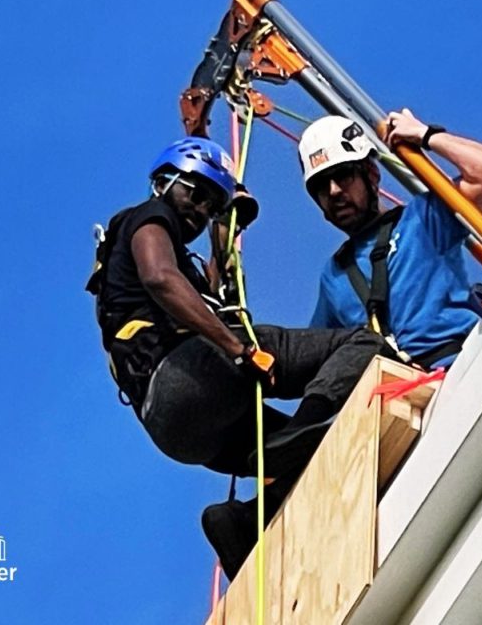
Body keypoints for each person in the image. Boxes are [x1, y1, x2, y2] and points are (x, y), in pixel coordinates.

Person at [86, 136, 386, 579]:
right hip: (190, 375)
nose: (199, 209)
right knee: (365, 343)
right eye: (196, 194)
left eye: (211, 203)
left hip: (174, 428)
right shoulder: (148, 217)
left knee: (316, 455)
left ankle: (242, 522)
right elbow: (161, 278)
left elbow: (209, 293)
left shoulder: (144, 263)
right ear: (165, 183)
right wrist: (239, 351)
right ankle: (304, 423)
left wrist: (225, 232)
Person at [299, 110, 482, 369]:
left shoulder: (423, 217)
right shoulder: (335, 274)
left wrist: (425, 135)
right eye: (321, 185)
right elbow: (308, 358)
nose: (333, 191)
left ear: (372, 174)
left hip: (465, 366)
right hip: (407, 398)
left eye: (343, 175)